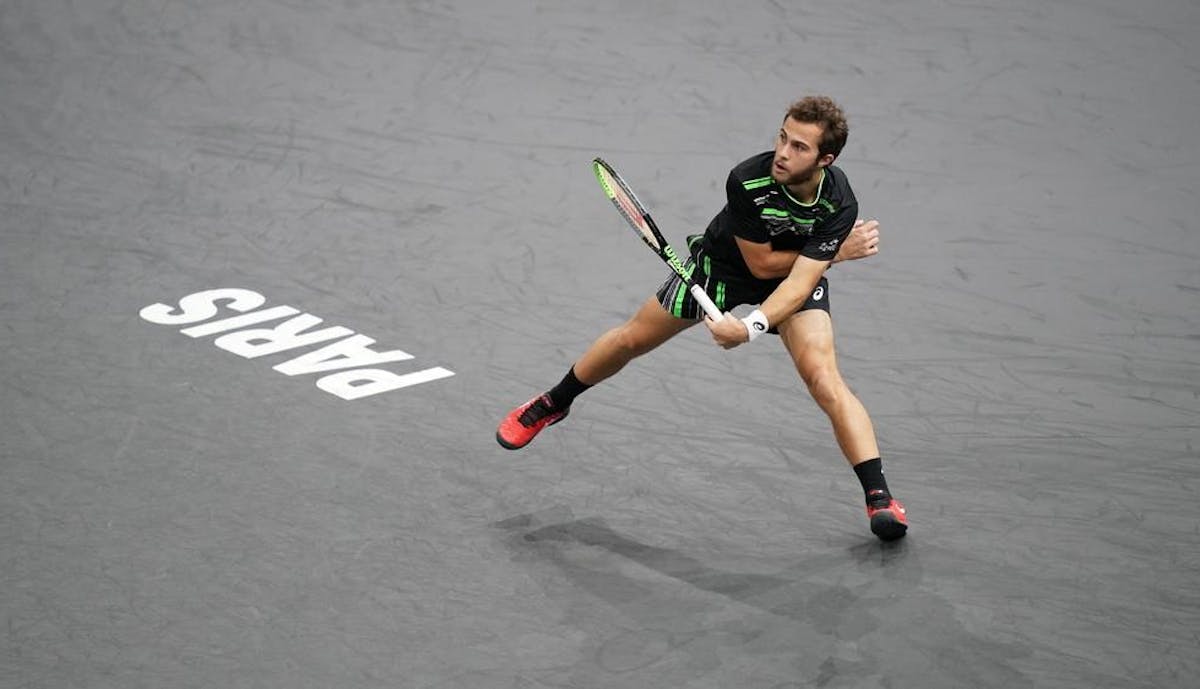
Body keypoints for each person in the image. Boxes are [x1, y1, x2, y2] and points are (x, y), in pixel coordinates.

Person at [496, 95, 907, 541]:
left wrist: (750, 327)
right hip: (722, 270)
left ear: (825, 158)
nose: (784, 153)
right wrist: (839, 254)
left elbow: (798, 283)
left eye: (800, 147)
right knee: (631, 339)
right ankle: (554, 402)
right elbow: (762, 267)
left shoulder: (838, 199)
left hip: (795, 277)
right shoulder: (748, 180)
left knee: (825, 380)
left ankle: (880, 499)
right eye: (783, 137)